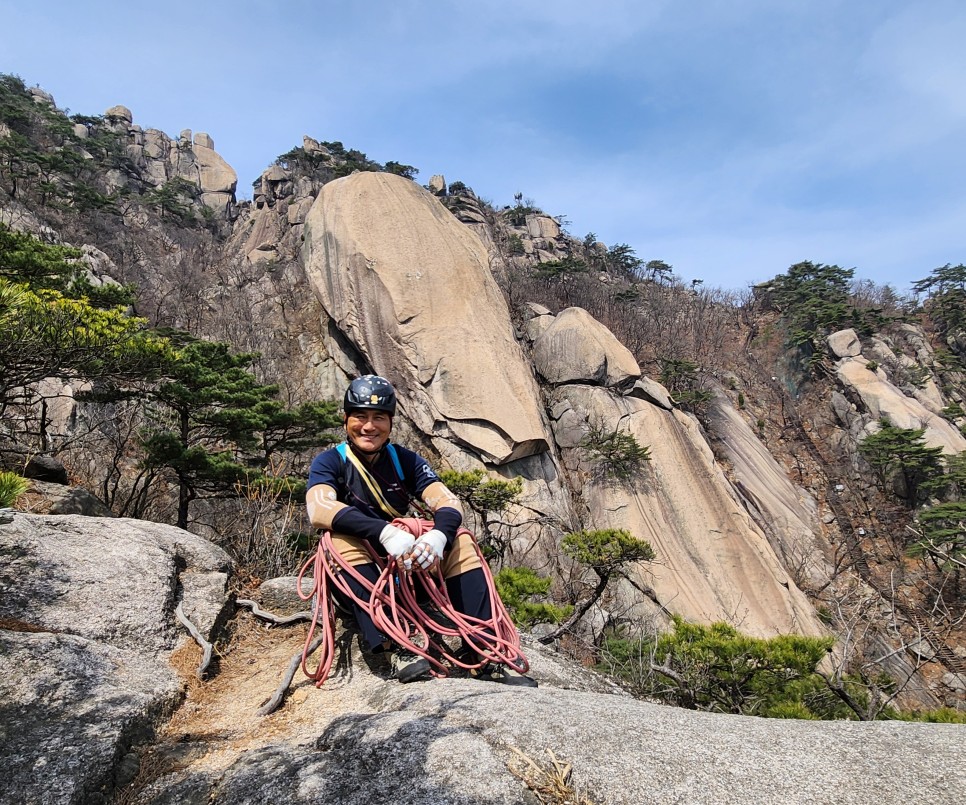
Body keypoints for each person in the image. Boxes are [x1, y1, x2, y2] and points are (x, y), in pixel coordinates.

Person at [306, 374, 537, 686]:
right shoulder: (331, 462)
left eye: (379, 418)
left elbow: (448, 502)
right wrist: (385, 533)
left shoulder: (404, 461)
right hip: (360, 576)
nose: (369, 426)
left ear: (390, 422)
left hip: (402, 567)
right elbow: (319, 508)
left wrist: (437, 536)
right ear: (346, 419)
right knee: (338, 541)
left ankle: (482, 651)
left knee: (463, 543)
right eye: (360, 416)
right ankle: (397, 645)